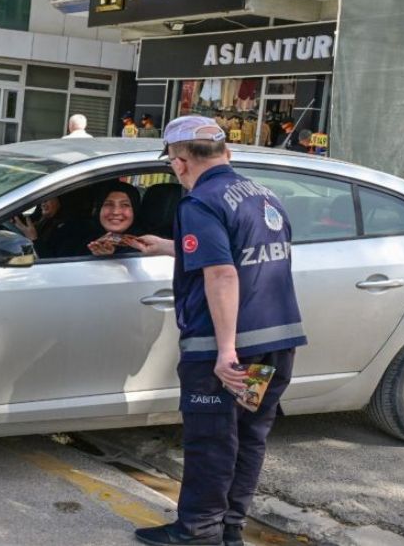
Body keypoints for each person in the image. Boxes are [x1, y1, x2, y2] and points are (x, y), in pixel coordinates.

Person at [127, 115, 307, 546]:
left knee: (211, 440)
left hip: (223, 352)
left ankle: (197, 532)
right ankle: (229, 529)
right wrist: (169, 246)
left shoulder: (200, 202)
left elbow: (223, 274)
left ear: (180, 161)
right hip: (275, 343)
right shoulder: (263, 195)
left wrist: (226, 352)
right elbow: (241, 252)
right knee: (248, 436)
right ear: (226, 153)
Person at [85, 181, 143, 257]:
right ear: (99, 209)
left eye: (125, 205)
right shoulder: (79, 239)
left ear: (134, 211)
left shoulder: (146, 247)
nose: (116, 212)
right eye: (108, 204)